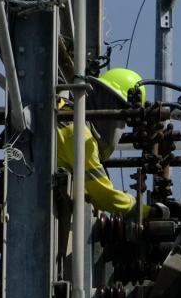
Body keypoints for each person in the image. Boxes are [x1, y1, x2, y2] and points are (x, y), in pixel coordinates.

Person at [58, 66, 144, 216]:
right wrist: (145, 210)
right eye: (123, 120)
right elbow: (105, 197)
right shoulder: (81, 136)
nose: (121, 127)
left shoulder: (68, 114)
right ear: (112, 107)